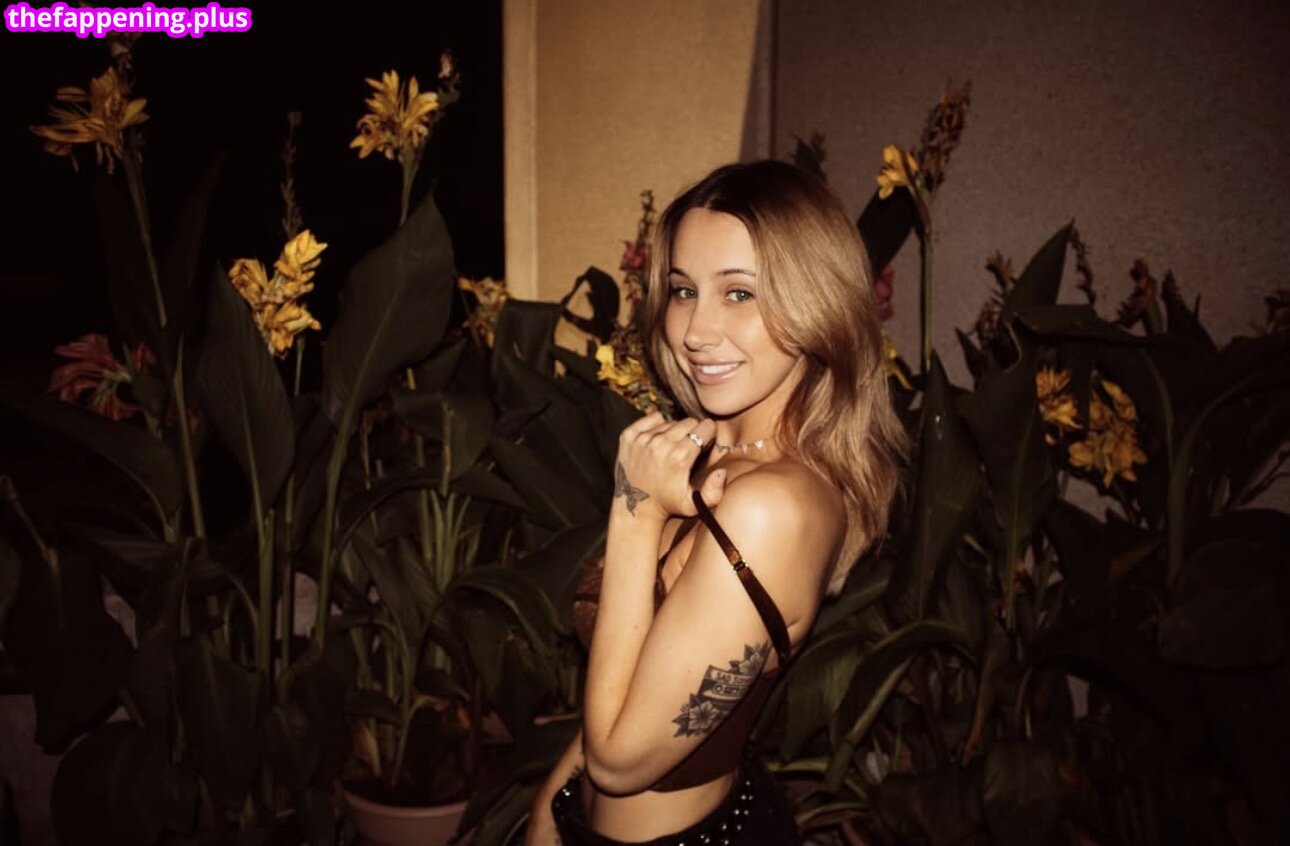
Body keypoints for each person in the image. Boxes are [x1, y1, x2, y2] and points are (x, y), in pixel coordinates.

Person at [525, 160, 908, 845]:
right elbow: (629, 680)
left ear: (815, 302)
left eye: (739, 293)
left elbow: (617, 762)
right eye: (683, 290)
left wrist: (637, 509)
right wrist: (547, 814)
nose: (696, 330)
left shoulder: (774, 509)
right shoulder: (707, 458)